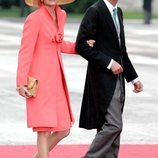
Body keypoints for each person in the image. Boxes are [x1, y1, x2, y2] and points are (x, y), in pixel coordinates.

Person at [76, 0, 143, 157]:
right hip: (101, 78)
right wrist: (109, 63)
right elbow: (82, 46)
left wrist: (133, 78)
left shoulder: (118, 12)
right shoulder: (95, 11)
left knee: (108, 126)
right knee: (114, 125)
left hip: (118, 78)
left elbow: (121, 51)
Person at [16, 0, 84, 157]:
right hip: (39, 81)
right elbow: (25, 51)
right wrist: (21, 82)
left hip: (57, 80)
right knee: (43, 129)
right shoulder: (34, 18)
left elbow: (57, 45)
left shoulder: (61, 14)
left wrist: (82, 47)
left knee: (64, 129)